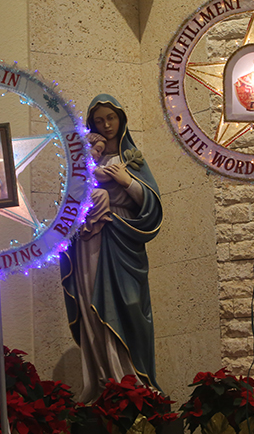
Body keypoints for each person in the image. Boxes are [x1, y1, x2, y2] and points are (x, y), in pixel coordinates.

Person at [59, 94, 163, 402]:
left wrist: (127, 182)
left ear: (121, 120)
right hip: (90, 245)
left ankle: (136, 385)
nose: (106, 125)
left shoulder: (133, 159)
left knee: (130, 306)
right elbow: (68, 201)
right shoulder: (86, 158)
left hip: (123, 244)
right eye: (99, 120)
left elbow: (153, 208)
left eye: (111, 118)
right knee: (92, 307)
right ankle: (104, 384)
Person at [79, 133, 113, 241]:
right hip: (78, 195)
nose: (99, 155)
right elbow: (102, 175)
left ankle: (98, 215)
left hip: (85, 193)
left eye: (101, 153)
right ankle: (92, 220)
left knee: (101, 194)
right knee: (102, 194)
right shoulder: (84, 162)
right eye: (97, 150)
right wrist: (116, 171)